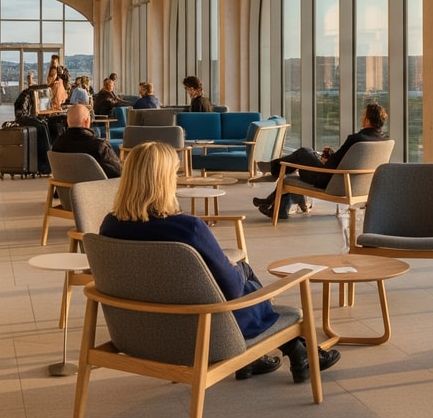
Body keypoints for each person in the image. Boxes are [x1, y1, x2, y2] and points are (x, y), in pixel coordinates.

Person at [99, 141, 340, 383]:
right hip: (201, 330)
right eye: (174, 173)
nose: (176, 178)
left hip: (140, 332)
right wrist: (233, 269)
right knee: (243, 273)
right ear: (163, 180)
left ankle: (280, 356)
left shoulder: (109, 226)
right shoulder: (188, 229)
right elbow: (233, 289)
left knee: (238, 272)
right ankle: (297, 351)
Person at [254, 102, 390, 219]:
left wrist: (326, 160)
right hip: (358, 184)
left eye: (363, 115)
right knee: (300, 162)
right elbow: (345, 160)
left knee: (303, 152)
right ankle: (275, 203)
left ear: (367, 121)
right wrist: (330, 157)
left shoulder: (356, 139)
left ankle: (273, 169)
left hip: (327, 180)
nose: (361, 118)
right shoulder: (384, 141)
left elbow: (335, 162)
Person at [50, 103, 122, 178]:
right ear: (87, 121)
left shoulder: (57, 145)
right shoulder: (99, 146)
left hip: (65, 185)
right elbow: (117, 172)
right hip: (94, 185)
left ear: (68, 122)